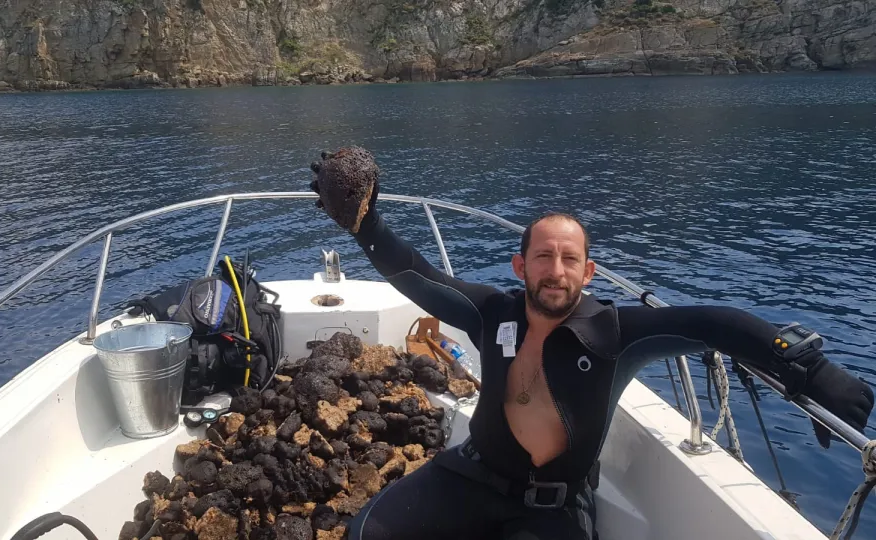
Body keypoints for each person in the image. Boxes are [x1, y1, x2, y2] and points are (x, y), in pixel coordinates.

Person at [307, 153, 874, 540]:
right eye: (543, 257)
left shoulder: (615, 334)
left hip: (552, 507)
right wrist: (366, 225)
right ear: (520, 266)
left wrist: (807, 365)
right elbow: (418, 275)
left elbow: (713, 322)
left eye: (569, 259)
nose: (556, 271)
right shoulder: (492, 312)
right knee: (367, 532)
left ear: (589, 271)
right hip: (472, 476)